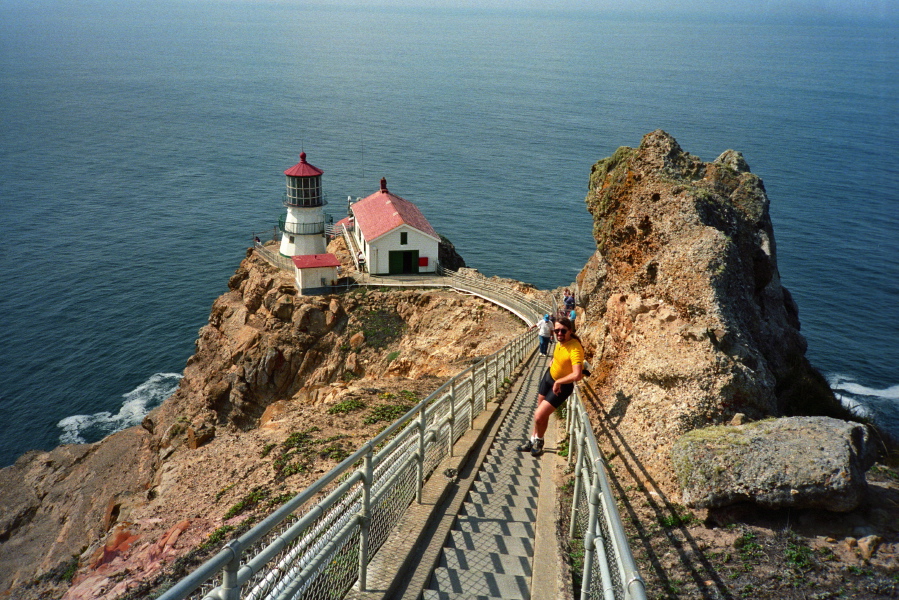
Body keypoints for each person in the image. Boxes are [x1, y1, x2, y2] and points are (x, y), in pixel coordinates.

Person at [518, 316, 584, 457]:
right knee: (540, 414)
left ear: (570, 331)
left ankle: (539, 442)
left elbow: (577, 375)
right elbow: (560, 356)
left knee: (539, 415)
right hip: (548, 377)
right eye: (556, 330)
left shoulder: (575, 348)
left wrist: (559, 382)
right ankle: (532, 440)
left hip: (561, 386)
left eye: (563, 331)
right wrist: (553, 361)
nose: (559, 333)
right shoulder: (560, 342)